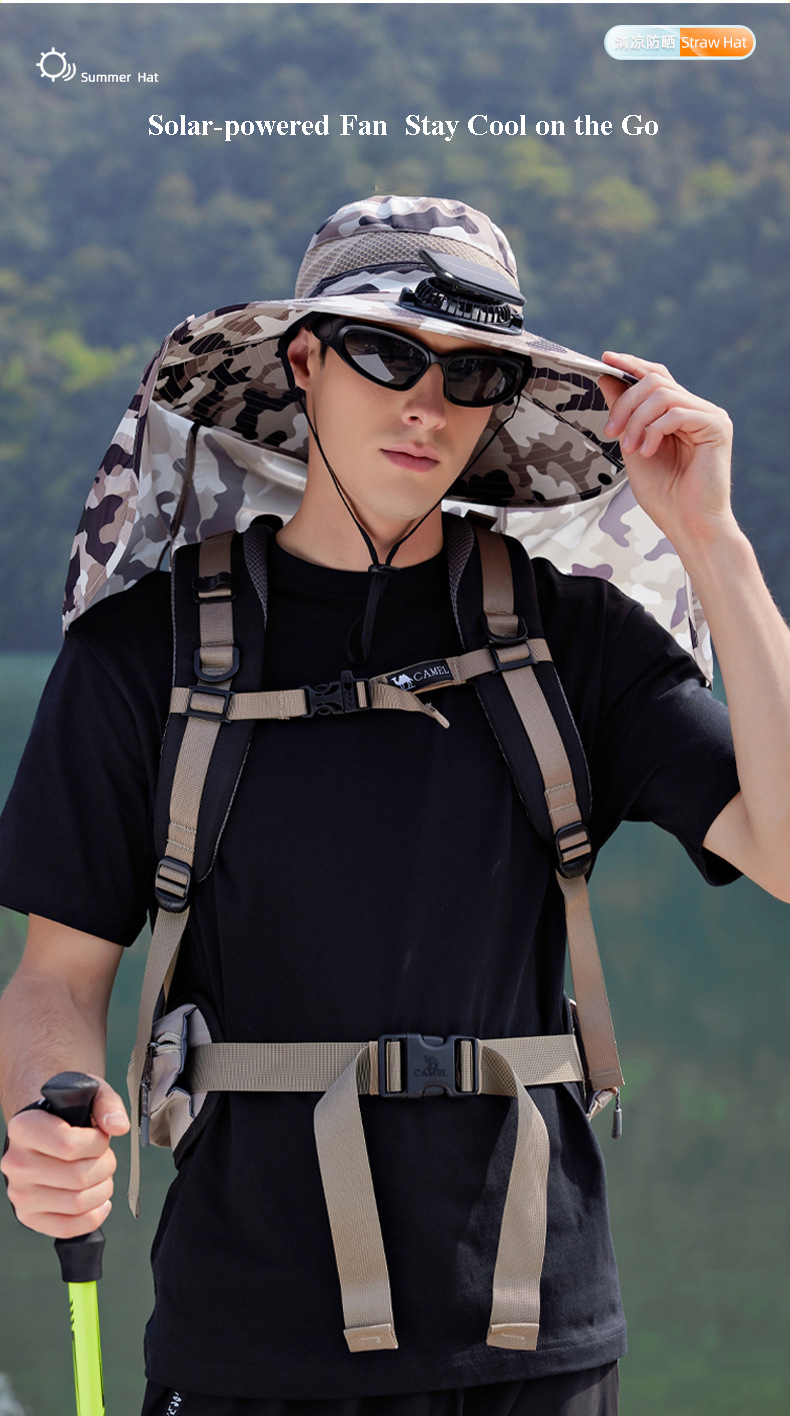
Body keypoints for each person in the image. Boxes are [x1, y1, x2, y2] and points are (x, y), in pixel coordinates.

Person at [1, 195, 789, 1416]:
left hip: (536, 1337)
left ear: (498, 407)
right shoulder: (140, 657)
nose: (426, 403)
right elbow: (56, 978)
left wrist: (714, 543)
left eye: (472, 374)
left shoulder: (573, 640)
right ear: (303, 362)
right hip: (247, 1338)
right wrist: (41, 1117)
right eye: (386, 352)